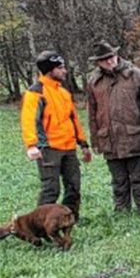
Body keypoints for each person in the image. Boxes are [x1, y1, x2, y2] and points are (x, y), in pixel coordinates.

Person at [84, 41, 140, 215]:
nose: (109, 61)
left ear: (116, 55)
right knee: (118, 180)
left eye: (111, 57)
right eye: (104, 59)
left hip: (136, 137)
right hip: (109, 140)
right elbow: (92, 114)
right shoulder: (94, 82)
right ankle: (122, 212)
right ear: (97, 62)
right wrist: (95, 141)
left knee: (139, 179)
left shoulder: (136, 75)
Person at [21, 51, 91, 218]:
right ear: (49, 70)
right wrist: (32, 145)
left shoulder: (64, 93)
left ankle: (69, 219)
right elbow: (29, 120)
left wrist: (83, 144)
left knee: (74, 186)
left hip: (69, 147)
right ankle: (40, 223)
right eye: (60, 68)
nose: (64, 71)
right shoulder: (35, 92)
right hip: (48, 148)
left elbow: (74, 119)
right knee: (51, 189)